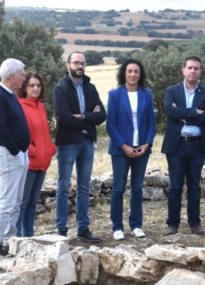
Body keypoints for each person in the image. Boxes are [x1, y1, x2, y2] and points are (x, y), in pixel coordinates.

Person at [53, 52, 106, 242]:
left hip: (87, 143)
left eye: (83, 63)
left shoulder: (90, 88)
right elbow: (66, 119)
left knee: (84, 187)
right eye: (76, 63)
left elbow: (102, 116)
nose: (80, 66)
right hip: (68, 143)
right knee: (63, 186)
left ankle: (83, 228)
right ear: (68, 65)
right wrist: (89, 117)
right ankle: (61, 230)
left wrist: (82, 116)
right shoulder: (60, 88)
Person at [161, 56, 205, 236]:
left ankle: (195, 224)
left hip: (197, 146)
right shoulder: (172, 91)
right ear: (183, 70)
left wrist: (182, 114)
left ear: (200, 72)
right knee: (175, 186)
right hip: (176, 146)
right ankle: (172, 224)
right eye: (190, 67)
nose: (193, 71)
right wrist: (194, 112)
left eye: (196, 68)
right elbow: (169, 111)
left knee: (194, 187)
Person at [106, 59, 156, 240]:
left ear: (140, 74)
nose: (133, 75)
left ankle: (136, 225)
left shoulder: (147, 94)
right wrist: (124, 146)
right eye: (129, 71)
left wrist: (148, 144)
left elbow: (152, 122)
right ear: (124, 73)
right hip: (121, 149)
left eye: (136, 71)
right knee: (118, 188)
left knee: (137, 188)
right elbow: (110, 125)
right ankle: (117, 227)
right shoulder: (114, 95)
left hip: (142, 148)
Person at [0, 58, 30, 255]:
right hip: (8, 154)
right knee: (7, 202)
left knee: (16, 202)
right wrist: (16, 151)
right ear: (12, 76)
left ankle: (8, 241)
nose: (24, 77)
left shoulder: (10, 95)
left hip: (18, 154)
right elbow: (1, 129)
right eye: (22, 73)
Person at [15, 72, 57, 237]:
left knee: (33, 202)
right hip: (29, 162)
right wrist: (32, 151)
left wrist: (51, 149)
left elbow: (44, 133)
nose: (35, 88)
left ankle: (29, 236)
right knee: (23, 202)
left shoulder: (41, 106)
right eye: (31, 85)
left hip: (43, 162)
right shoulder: (19, 106)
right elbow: (19, 134)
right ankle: (16, 237)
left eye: (38, 85)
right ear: (24, 87)